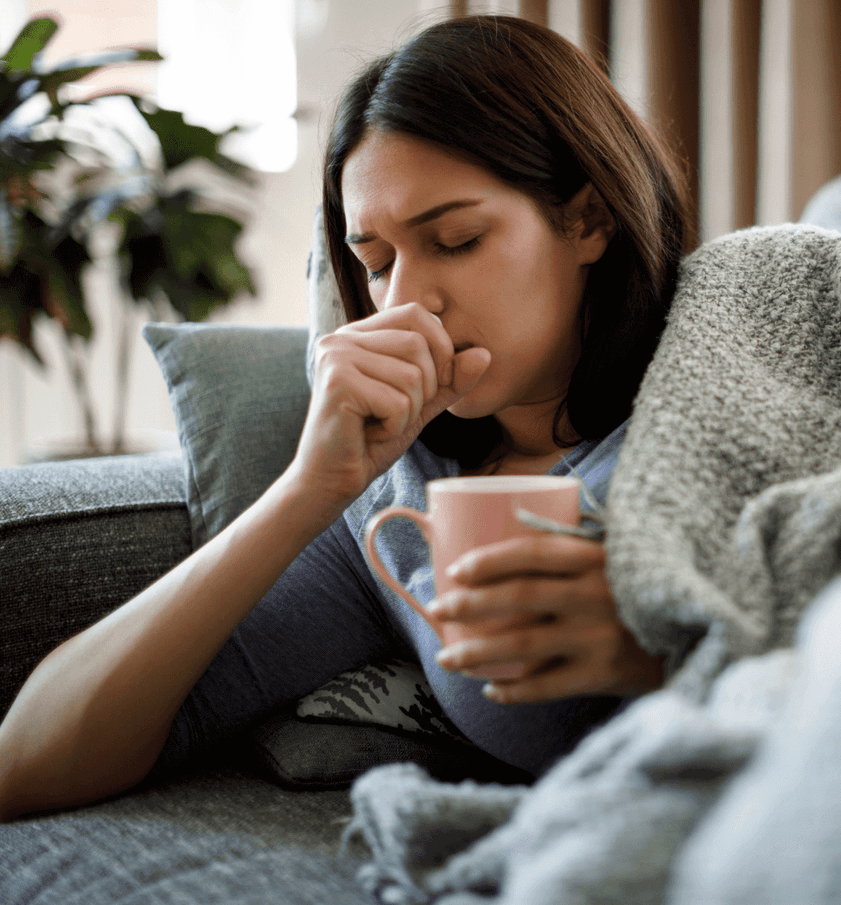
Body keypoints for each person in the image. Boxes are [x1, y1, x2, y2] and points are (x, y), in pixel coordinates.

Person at [0, 15, 691, 821]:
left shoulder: (725, 388)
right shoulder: (396, 509)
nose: (405, 302)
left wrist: (669, 653)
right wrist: (308, 488)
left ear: (590, 219)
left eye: (457, 239)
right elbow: (26, 763)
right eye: (378, 263)